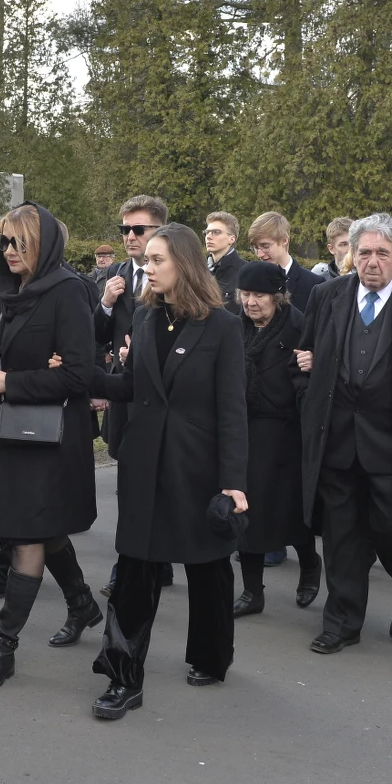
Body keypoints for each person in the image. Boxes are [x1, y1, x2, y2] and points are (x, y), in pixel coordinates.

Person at [89, 224, 249, 719]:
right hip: (144, 464)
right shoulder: (144, 316)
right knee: (135, 570)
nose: (149, 268)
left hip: (198, 467)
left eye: (159, 260)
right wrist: (81, 376)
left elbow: (232, 410)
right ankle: (123, 676)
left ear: (185, 263)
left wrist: (234, 482)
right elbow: (132, 386)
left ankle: (211, 655)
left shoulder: (222, 326)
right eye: (148, 260)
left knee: (208, 567)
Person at [293, 212, 392, 655]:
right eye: (364, 253)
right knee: (341, 537)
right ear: (351, 256)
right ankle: (341, 622)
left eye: (382, 253)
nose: (371, 262)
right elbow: (303, 356)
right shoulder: (326, 295)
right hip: (336, 440)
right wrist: (308, 392)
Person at [0, 202, 100, 692]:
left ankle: (3, 646)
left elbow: (79, 376)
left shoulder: (67, 291)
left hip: (52, 437)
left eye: (20, 242)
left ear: (43, 245)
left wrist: (11, 381)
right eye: (4, 241)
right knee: (42, 529)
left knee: (25, 537)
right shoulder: (10, 293)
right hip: (16, 433)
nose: (9, 250)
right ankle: (82, 603)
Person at [95, 195, 176, 597]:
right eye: (124, 229)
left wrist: (143, 355)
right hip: (125, 393)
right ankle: (140, 562)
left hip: (162, 400)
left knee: (158, 480)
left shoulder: (178, 276)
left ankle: (145, 561)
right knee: (127, 477)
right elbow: (95, 334)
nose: (129, 236)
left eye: (138, 229)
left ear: (160, 231)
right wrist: (106, 304)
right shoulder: (115, 274)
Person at [231, 261, 320, 617]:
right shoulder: (233, 326)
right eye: (245, 294)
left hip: (286, 434)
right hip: (243, 430)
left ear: (278, 296)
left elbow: (310, 382)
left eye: (259, 295)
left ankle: (310, 566)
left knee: (291, 511)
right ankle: (253, 592)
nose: (251, 302)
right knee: (245, 510)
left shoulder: (299, 327)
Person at [247, 210, 324, 313]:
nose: (259, 254)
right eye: (256, 248)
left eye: (265, 246)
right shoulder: (250, 281)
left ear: (284, 240)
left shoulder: (314, 284)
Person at [204, 210, 244, 314]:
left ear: (232, 239)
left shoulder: (245, 271)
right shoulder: (197, 269)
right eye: (207, 232)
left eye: (216, 232)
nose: (209, 236)